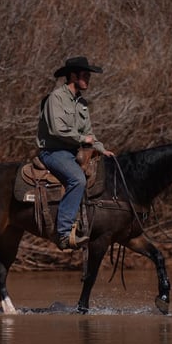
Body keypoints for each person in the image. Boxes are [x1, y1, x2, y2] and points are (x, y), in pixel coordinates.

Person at [36, 56, 115, 250]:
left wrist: (102, 149)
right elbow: (57, 129)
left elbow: (89, 133)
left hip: (74, 152)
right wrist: (83, 140)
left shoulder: (82, 103)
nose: (88, 79)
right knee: (77, 179)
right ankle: (63, 233)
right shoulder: (56, 98)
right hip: (54, 152)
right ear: (72, 75)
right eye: (85, 75)